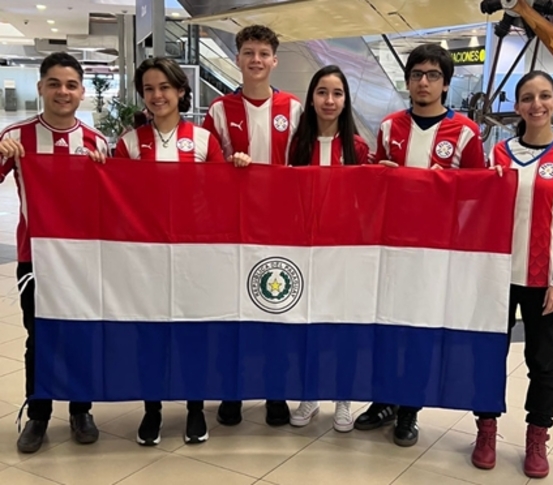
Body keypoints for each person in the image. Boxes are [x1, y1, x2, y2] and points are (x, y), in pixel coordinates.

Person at [355, 43, 486, 446]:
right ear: (408, 81)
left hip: (434, 251)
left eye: (432, 76)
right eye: (416, 75)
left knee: (418, 330)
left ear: (446, 84)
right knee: (384, 325)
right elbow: (373, 181)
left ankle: (410, 407)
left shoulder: (464, 132)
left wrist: (435, 185)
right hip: (390, 247)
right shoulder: (390, 126)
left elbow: (476, 195)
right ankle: (382, 399)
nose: (423, 82)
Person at [470, 71, 553, 479]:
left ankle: (537, 436)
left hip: (546, 284)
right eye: (528, 97)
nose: (536, 104)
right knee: (489, 357)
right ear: (518, 105)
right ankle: (486, 430)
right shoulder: (499, 155)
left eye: (544, 96)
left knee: (543, 363)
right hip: (498, 279)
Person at [0, 52, 108, 454]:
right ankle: (39, 413)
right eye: (55, 84)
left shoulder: (96, 141)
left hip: (82, 259)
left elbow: (112, 203)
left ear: (81, 92)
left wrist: (102, 171)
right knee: (40, 337)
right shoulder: (17, 135)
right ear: (42, 87)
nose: (63, 92)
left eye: (71, 85)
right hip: (35, 257)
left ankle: (81, 410)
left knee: (81, 334)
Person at [115, 57, 225, 446]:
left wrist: (238, 168)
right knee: (150, 335)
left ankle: (195, 409)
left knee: (193, 334)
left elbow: (219, 198)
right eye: (148, 88)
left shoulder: (204, 140)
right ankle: (152, 410)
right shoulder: (128, 143)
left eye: (164, 87)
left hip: (193, 256)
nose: (157, 95)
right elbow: (115, 201)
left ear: (180, 91)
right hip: (146, 259)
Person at [202, 24, 303, 427]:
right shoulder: (219, 110)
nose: (256, 60)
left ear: (274, 60)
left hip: (283, 228)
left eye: (263, 53)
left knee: (277, 309)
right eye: (248, 52)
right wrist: (229, 170)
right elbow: (208, 170)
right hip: (234, 227)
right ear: (238, 59)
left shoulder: (295, 108)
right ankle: (232, 391)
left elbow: (305, 163)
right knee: (233, 312)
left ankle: (275, 392)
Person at [287, 64, 369, 431]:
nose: (329, 100)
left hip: (344, 254)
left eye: (337, 93)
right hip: (305, 252)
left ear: (346, 100)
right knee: (308, 325)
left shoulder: (359, 147)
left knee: (341, 327)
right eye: (322, 92)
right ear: (312, 97)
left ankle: (343, 398)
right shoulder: (297, 142)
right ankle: (309, 394)